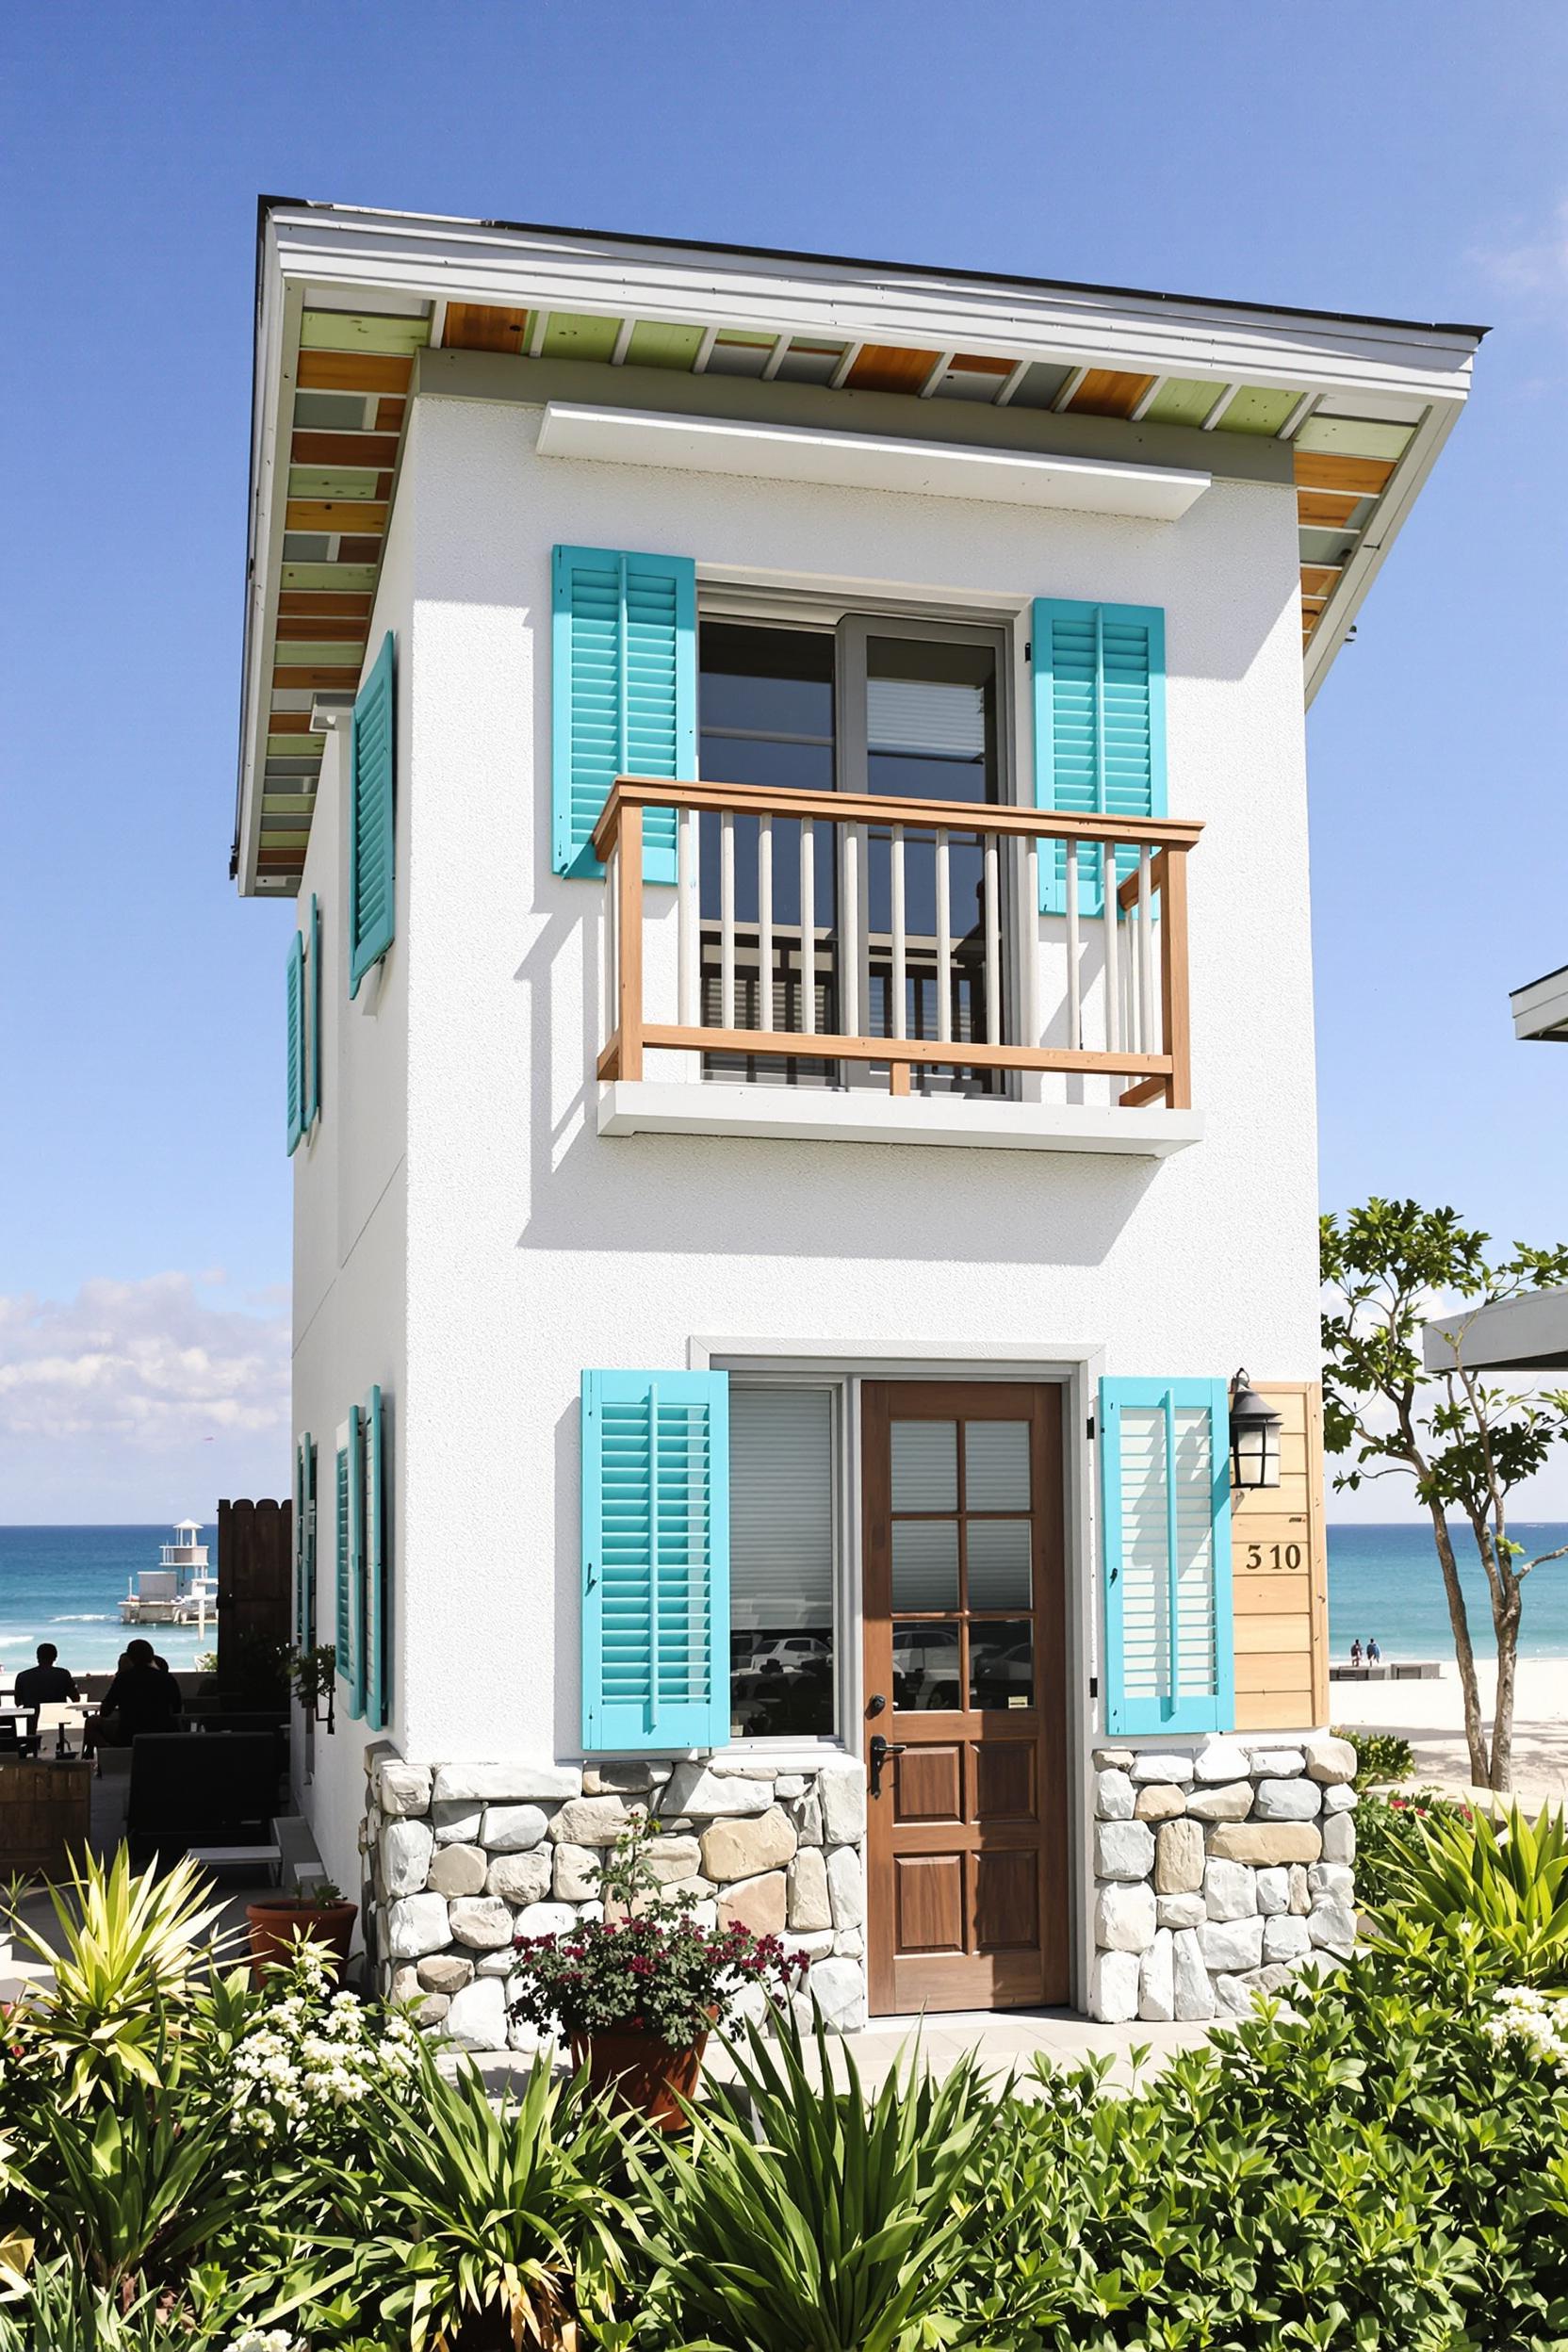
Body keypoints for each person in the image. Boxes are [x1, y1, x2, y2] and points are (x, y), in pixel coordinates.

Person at [94, 1638, 183, 1745]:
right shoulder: (167, 1678)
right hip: (163, 1734)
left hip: (129, 1736)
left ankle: (113, 1756)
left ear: (130, 1658)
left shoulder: (123, 1679)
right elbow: (177, 1708)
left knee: (92, 1723)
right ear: (152, 1656)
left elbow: (105, 1711)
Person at [13, 1642, 79, 1709]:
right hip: (58, 1717)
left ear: (37, 1657)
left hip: (34, 1718)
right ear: (55, 1657)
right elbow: (76, 1698)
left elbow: (18, 1702)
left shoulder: (23, 1676)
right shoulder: (63, 1674)